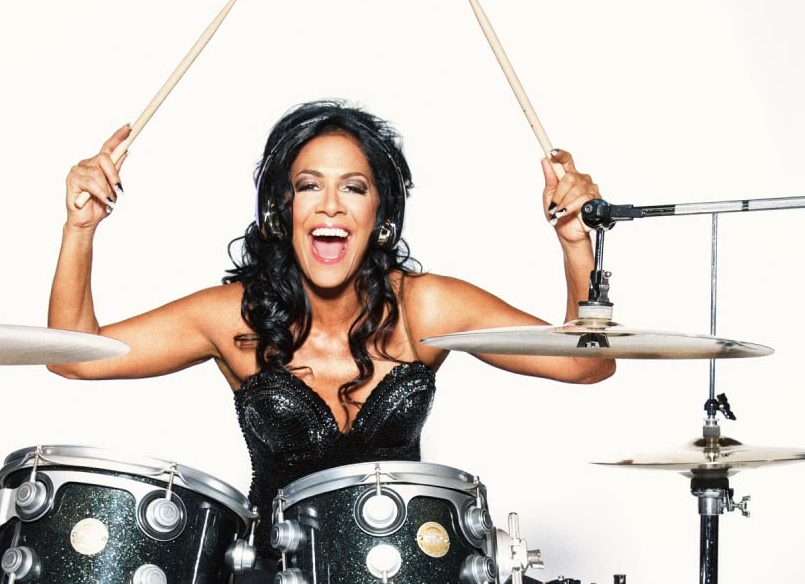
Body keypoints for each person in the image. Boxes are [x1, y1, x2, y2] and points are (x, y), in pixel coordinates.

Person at [48, 100, 614, 580]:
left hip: (402, 571)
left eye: (354, 187)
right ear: (284, 207)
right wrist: (80, 229)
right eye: (309, 185)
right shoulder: (233, 317)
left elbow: (585, 364)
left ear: (380, 212)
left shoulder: (424, 307)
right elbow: (75, 358)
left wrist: (575, 242)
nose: (330, 205)